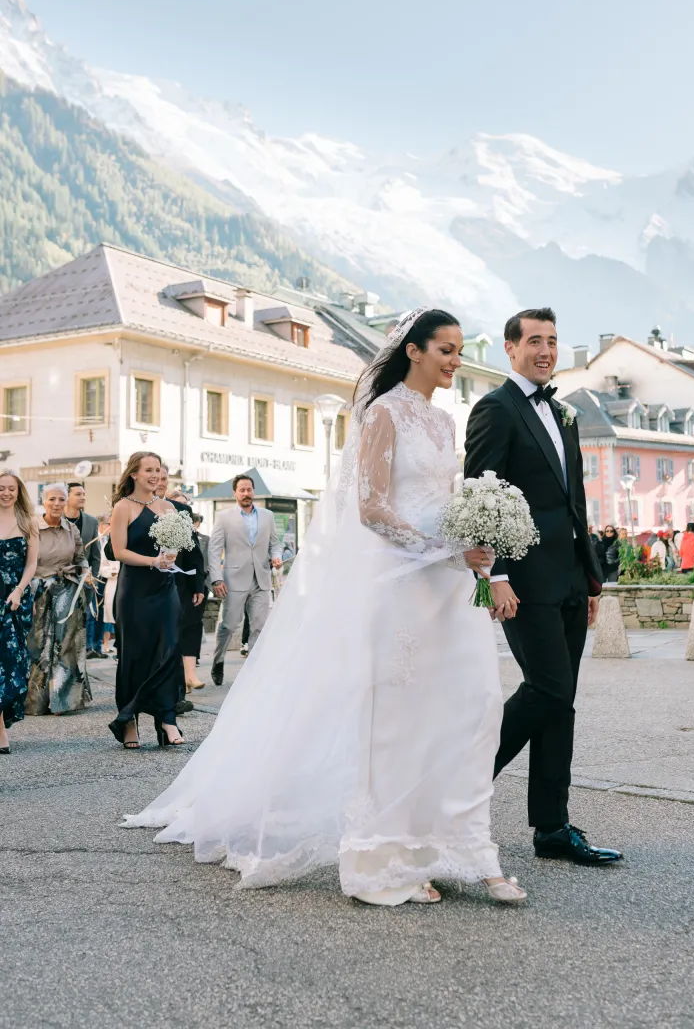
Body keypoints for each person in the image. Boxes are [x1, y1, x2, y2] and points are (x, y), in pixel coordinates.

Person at [122, 308, 526, 905]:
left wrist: (483, 558)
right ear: (413, 351)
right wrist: (442, 547)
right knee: (398, 721)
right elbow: (371, 509)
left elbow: (447, 503)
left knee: (470, 707)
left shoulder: (444, 422)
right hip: (401, 584)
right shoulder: (383, 414)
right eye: (446, 349)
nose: (455, 361)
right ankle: (385, 857)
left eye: (460, 350)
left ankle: (467, 848)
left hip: (447, 585)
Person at [464, 306, 621, 867]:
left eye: (553, 341)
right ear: (510, 349)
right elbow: (480, 493)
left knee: (562, 704)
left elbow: (573, 502)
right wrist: (496, 576)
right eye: (534, 341)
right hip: (523, 581)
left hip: (571, 578)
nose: (546, 351)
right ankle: (461, 785)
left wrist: (591, 575)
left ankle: (552, 827)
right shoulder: (495, 409)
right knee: (548, 689)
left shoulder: (562, 411)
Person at [108, 452, 184, 748]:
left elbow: (177, 546)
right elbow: (118, 552)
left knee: (169, 650)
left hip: (166, 590)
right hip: (135, 592)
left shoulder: (169, 508)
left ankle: (167, 719)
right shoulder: (123, 508)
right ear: (134, 474)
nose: (155, 475)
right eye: (149, 470)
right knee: (135, 654)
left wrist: (172, 555)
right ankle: (128, 720)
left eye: (158, 470)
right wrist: (153, 561)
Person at [209, 476, 282, 686]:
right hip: (233, 580)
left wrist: (276, 556)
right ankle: (218, 660)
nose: (246, 494)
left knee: (259, 627)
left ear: (254, 491)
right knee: (230, 626)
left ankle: (253, 671)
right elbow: (214, 550)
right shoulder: (223, 517)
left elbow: (274, 543)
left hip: (261, 579)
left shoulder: (267, 516)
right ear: (235, 493)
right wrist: (216, 579)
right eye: (242, 490)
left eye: (249, 490)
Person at [26, 484, 92, 716]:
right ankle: (35, 702)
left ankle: (62, 702)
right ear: (43, 501)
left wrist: (85, 572)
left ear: (66, 502)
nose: (56, 504)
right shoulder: (31, 527)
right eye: (52, 499)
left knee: (67, 648)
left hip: (67, 594)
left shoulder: (71, 529)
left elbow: (81, 558)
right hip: (37, 593)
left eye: (61, 499)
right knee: (37, 647)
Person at [0, 471, 38, 753]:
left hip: (14, 600)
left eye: (11, 488)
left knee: (13, 663)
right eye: (1, 488)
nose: (6, 493)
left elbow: (32, 564)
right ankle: (1, 734)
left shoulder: (28, 522)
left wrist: (19, 590)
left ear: (18, 491)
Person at [165, 490, 207, 693]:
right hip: (159, 582)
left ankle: (189, 676)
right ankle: (179, 678)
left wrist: (198, 586)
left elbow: (194, 555)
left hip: (184, 582)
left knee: (190, 626)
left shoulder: (184, 516)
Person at [65, 482, 103, 658]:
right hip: (61, 580)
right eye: (78, 494)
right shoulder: (58, 518)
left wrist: (93, 577)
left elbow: (95, 554)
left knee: (82, 622)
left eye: (84, 494)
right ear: (67, 496)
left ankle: (78, 661)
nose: (82, 497)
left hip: (84, 582)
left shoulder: (91, 521)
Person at [97, 514, 119, 658]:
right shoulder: (106, 544)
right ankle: (117, 651)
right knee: (113, 619)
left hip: (126, 583)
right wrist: (113, 571)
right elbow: (102, 567)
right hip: (112, 584)